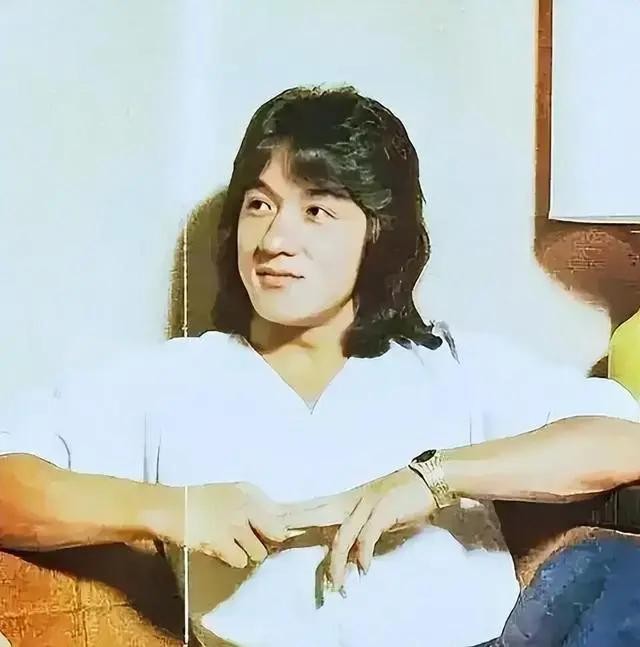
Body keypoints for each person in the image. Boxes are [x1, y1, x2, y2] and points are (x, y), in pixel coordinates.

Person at [0, 85, 638, 647]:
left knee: (616, 572)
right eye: (258, 205)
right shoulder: (168, 381)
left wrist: (433, 478)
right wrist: (171, 509)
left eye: (317, 211)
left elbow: (622, 443)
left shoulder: (451, 363)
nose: (275, 240)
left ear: (377, 232)